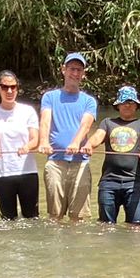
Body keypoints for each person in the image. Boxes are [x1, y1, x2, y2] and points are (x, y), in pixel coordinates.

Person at [40, 52, 99, 221]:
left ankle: (76, 246)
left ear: (83, 73)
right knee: (54, 215)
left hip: (80, 163)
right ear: (63, 70)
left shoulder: (89, 101)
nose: (75, 73)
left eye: (79, 70)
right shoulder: (50, 97)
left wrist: (75, 142)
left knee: (79, 217)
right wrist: (43, 141)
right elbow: (45, 121)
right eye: (72, 69)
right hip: (55, 162)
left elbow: (86, 125)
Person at [88, 86, 140, 226]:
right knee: (105, 226)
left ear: (136, 105)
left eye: (131, 102)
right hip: (109, 182)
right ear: (117, 105)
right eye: (124, 102)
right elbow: (97, 137)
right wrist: (89, 145)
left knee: (135, 227)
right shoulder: (107, 123)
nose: (127, 105)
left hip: (134, 182)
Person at [0, 71, 41, 220]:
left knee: (32, 218)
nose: (9, 91)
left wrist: (27, 147)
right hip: (1, 173)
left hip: (27, 171)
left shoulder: (28, 111)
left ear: (17, 88)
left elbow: (35, 139)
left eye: (13, 87)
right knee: (8, 219)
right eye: (5, 87)